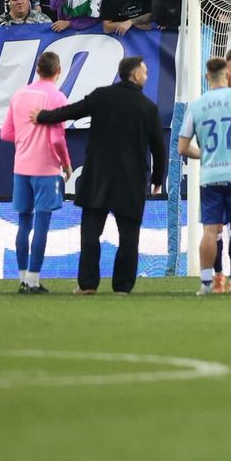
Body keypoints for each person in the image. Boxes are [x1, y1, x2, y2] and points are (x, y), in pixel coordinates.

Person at [34, 56, 166, 294]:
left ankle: (87, 285)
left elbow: (72, 111)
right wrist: (158, 178)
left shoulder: (102, 95)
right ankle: (122, 287)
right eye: (144, 72)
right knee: (129, 236)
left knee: (91, 233)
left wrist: (43, 116)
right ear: (135, 75)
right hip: (131, 180)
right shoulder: (148, 107)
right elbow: (159, 147)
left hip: (98, 176)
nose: (146, 76)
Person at [179, 50, 231, 295]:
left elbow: (183, 148)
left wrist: (205, 154)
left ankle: (206, 284)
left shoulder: (196, 105)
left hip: (210, 176)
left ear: (207, 77)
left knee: (210, 231)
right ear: (227, 73)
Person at [0, 51, 71, 294]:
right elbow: (58, 137)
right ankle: (33, 279)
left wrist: (25, 136)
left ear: (37, 70)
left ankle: (21, 279)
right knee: (42, 223)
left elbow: (6, 134)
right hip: (46, 167)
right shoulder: (57, 96)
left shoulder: (19, 95)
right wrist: (66, 163)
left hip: (21, 166)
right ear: (58, 71)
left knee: (23, 223)